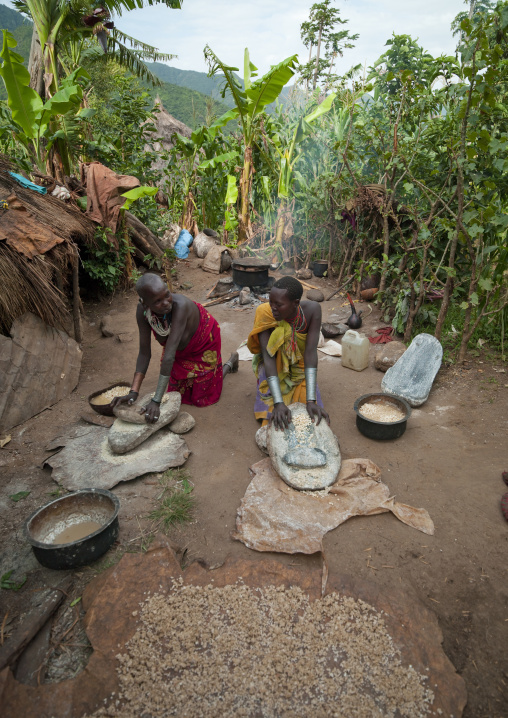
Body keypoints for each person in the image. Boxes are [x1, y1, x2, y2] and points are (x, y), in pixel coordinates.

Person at [112, 273, 238, 423]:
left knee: (203, 396)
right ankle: (227, 364)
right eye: (158, 301)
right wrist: (133, 392)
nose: (166, 302)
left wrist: (156, 400)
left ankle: (229, 363)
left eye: (167, 295)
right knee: (179, 393)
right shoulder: (143, 312)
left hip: (203, 342)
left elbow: (169, 356)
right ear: (145, 304)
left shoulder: (180, 306)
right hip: (178, 349)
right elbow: (144, 353)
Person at [247, 276, 329, 430]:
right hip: (274, 365)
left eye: (279, 304)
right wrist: (278, 402)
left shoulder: (312, 311)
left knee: (309, 413)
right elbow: (268, 356)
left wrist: (311, 401)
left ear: (296, 303)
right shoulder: (264, 313)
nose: (273, 308)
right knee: (274, 415)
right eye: (270, 302)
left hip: (300, 366)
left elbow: (310, 353)